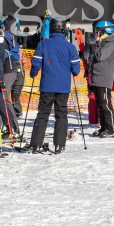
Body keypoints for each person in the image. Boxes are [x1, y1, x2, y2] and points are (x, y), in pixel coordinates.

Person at [27, 17, 81, 154]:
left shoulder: (43, 44)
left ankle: (35, 144)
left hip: (47, 85)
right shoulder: (70, 46)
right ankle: (59, 145)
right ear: (64, 30)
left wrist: (33, 73)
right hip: (63, 87)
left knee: (43, 114)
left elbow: (36, 63)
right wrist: (73, 72)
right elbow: (76, 68)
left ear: (50, 28)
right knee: (61, 114)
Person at [84, 20, 114, 137]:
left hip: (104, 77)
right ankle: (104, 127)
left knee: (105, 105)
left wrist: (97, 43)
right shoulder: (103, 43)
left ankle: (111, 129)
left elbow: (99, 56)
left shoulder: (110, 43)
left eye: (98, 31)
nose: (96, 34)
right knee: (99, 104)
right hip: (96, 76)